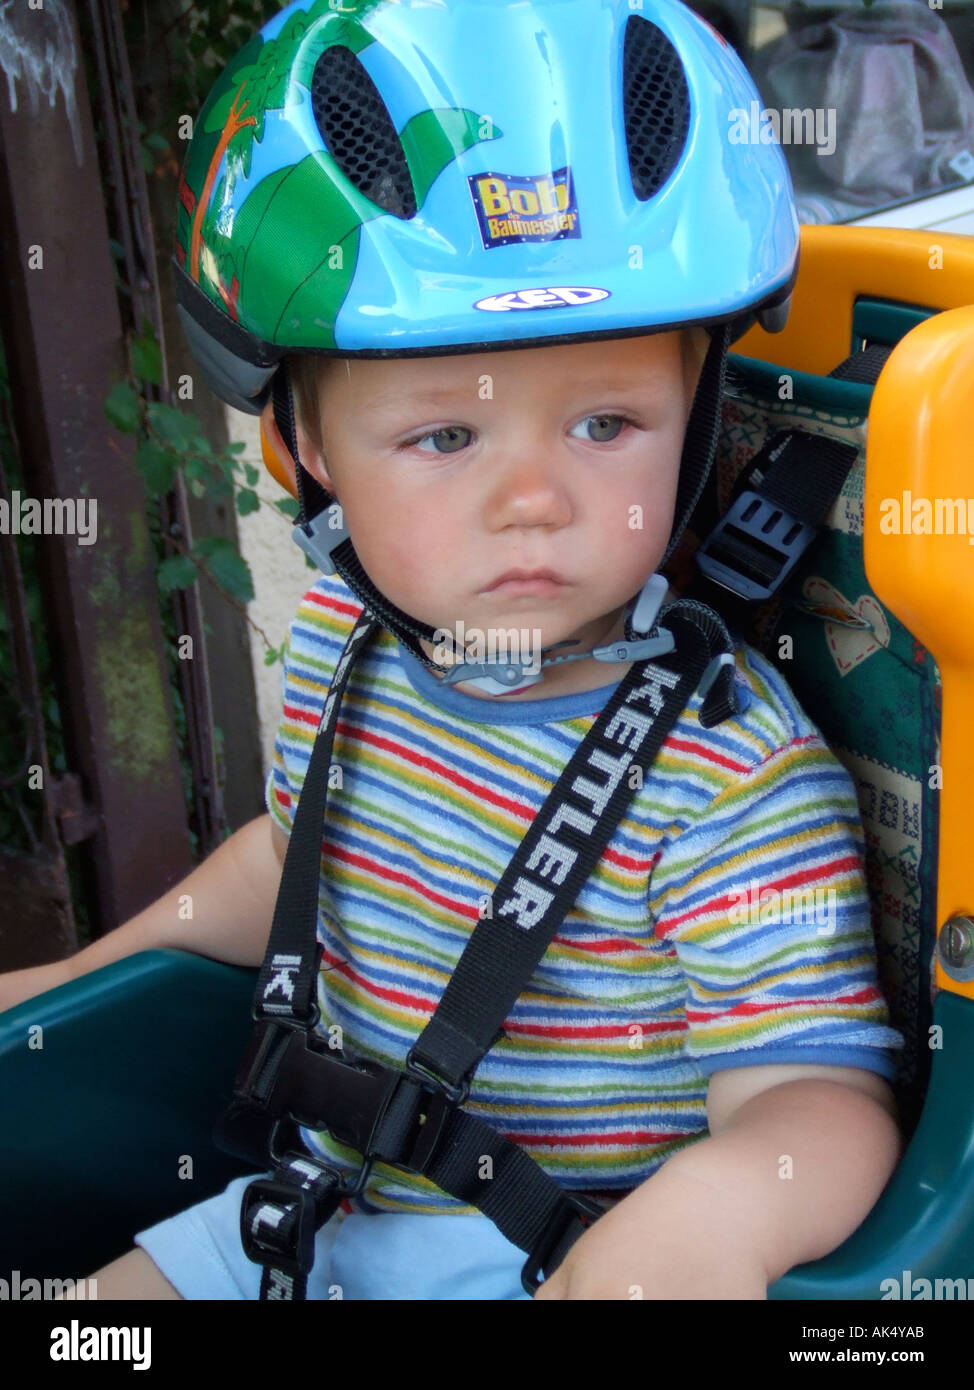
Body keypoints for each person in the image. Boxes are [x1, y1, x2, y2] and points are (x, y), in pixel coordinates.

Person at [3, 0, 904, 1299]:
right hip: (307, 1215)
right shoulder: (345, 645)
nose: (532, 499)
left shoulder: (728, 776)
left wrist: (715, 1219)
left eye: (605, 424)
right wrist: (70, 985)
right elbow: (296, 856)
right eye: (444, 437)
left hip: (557, 1256)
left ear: (696, 412)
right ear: (307, 449)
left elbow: (815, 1098)